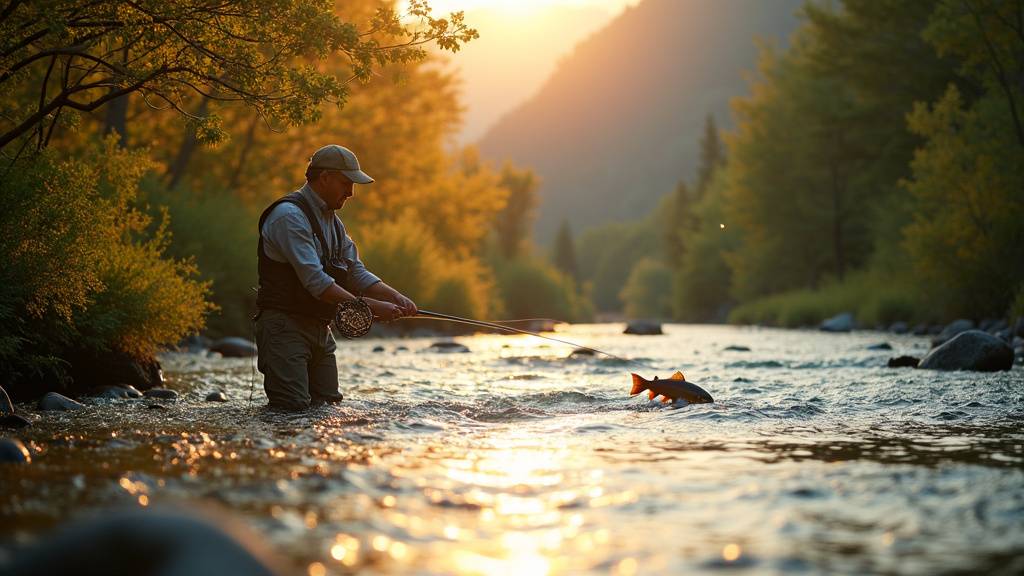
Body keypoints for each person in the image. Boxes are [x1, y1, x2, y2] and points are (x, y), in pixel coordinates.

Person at [254, 144, 417, 411]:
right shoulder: (289, 217)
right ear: (325, 177)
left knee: (327, 409)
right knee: (291, 410)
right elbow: (316, 282)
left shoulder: (333, 222)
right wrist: (371, 307)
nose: (351, 192)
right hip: (284, 327)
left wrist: (395, 296)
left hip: (319, 327)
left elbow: (355, 271)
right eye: (346, 183)